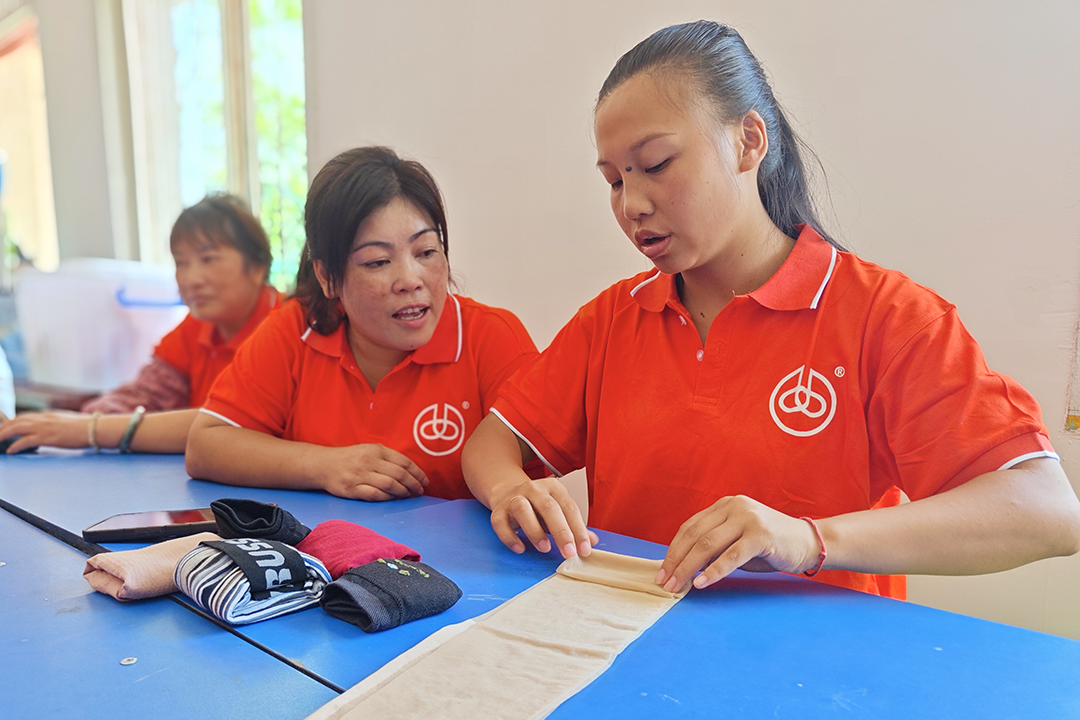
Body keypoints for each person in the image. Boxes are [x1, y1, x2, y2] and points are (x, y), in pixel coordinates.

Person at [461, 20, 1080, 598]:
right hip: (624, 648)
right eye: (615, 181)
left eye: (655, 165)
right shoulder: (613, 319)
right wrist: (512, 489)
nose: (632, 204)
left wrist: (808, 539)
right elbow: (492, 442)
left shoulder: (883, 317)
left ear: (748, 142)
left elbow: (1046, 510)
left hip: (817, 664)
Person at [184, 146, 539, 502]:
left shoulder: (490, 336)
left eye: (426, 252)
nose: (410, 280)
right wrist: (324, 466)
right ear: (327, 277)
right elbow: (206, 444)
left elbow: (531, 473)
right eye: (377, 261)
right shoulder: (297, 328)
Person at [0, 194, 279, 454]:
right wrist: (68, 424)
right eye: (181, 262)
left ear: (257, 267)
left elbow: (232, 421)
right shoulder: (196, 327)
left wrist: (88, 428)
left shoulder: (286, 327)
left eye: (208, 259)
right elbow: (146, 393)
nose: (191, 279)